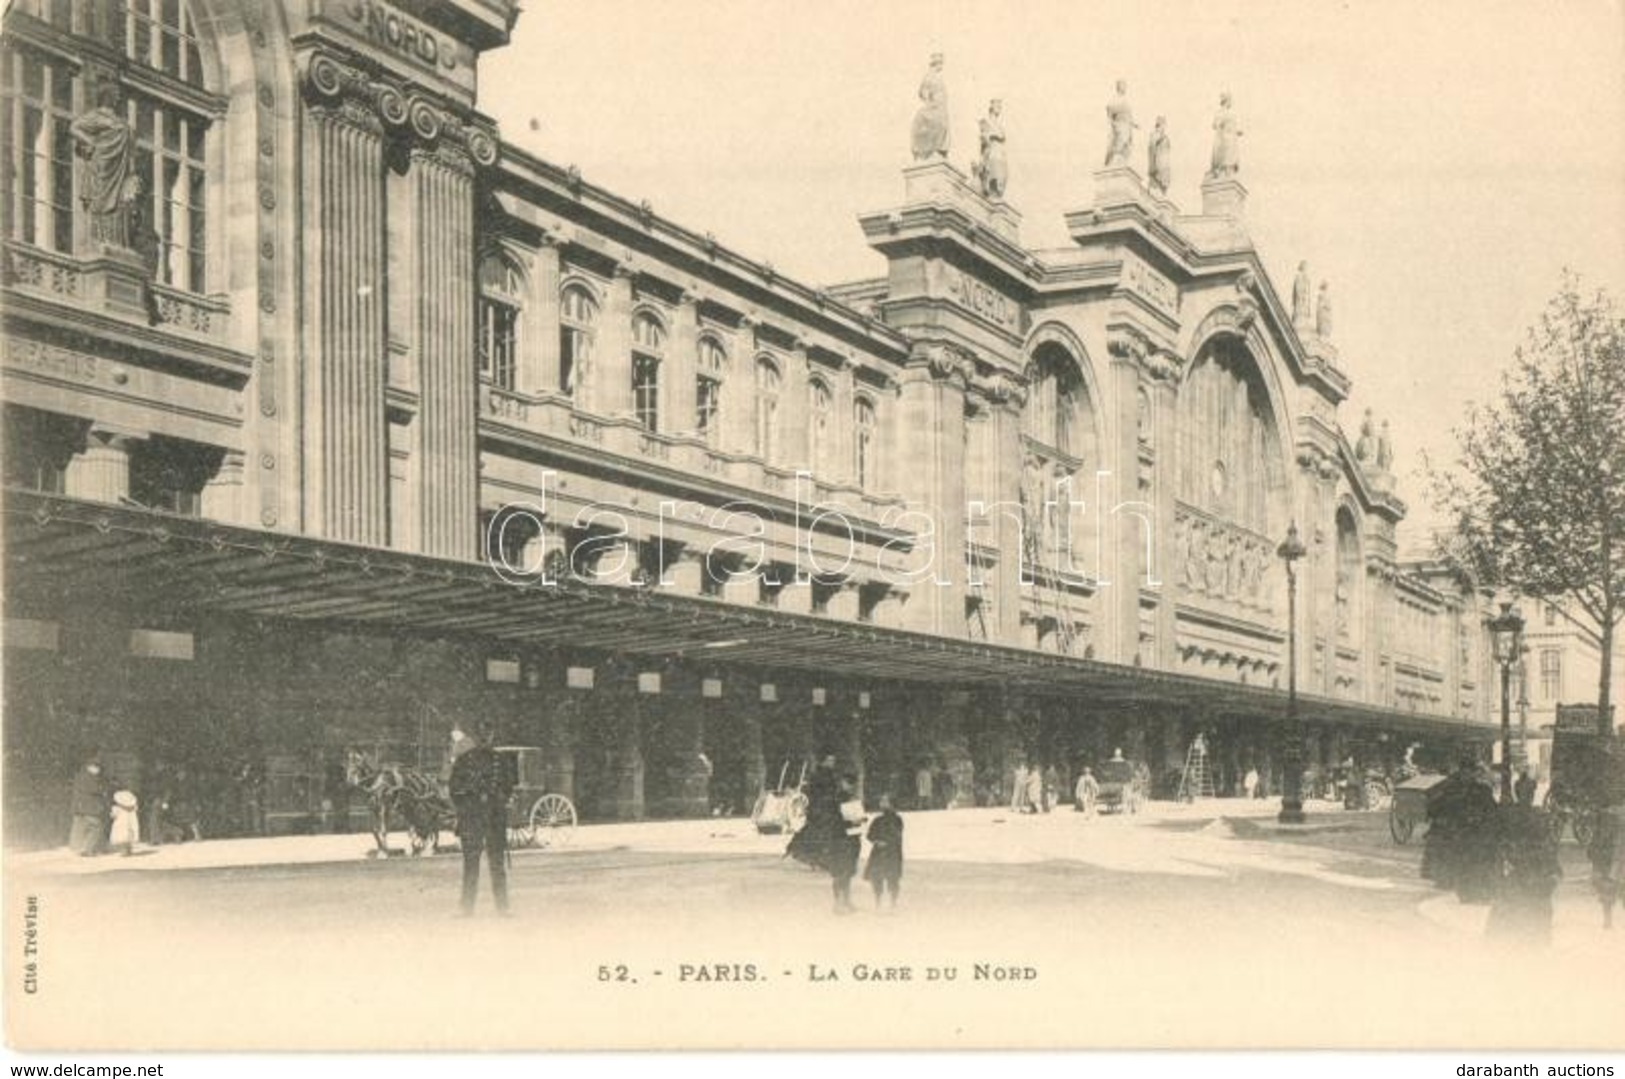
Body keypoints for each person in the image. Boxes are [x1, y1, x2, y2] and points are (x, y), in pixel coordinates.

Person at [448, 725, 515, 916]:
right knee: (471, 864)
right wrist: (470, 805)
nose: (486, 738)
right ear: (476, 738)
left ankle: (502, 908)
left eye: (489, 734)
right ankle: (466, 908)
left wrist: (496, 800)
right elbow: (455, 790)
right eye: (483, 735)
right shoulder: (463, 761)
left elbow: (508, 787)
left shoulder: (500, 761)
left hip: (494, 818)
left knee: (497, 864)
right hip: (473, 819)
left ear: (492, 735)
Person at [864, 793, 904, 909]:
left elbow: (896, 835)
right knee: (877, 878)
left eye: (885, 801)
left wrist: (886, 842)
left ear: (891, 804)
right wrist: (876, 841)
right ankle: (878, 901)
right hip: (879, 852)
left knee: (893, 879)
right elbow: (870, 835)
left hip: (892, 853)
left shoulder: (897, 819)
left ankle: (893, 902)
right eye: (882, 801)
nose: (882, 803)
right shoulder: (877, 820)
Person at [910, 53, 949, 161]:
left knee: (943, 126)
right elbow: (923, 91)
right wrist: (929, 102)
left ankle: (938, 149)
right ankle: (931, 150)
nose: (941, 66)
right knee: (936, 123)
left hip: (941, 106)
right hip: (934, 105)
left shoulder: (938, 77)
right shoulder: (929, 76)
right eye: (940, 63)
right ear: (936, 63)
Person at [69, 754, 110, 856]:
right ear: (89, 767)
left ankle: (77, 847)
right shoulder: (91, 778)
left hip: (79, 807)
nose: (98, 770)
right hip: (90, 808)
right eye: (96, 767)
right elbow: (96, 790)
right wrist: (104, 790)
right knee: (96, 827)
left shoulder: (79, 776)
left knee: (80, 828)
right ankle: (89, 849)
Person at [976, 99, 1008, 199]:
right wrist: (990, 135)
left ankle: (997, 192)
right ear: (992, 107)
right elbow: (983, 137)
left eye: (1000, 107)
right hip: (992, 149)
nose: (999, 109)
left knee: (1002, 172)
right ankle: (990, 191)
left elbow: (1002, 136)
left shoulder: (1000, 125)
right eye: (997, 106)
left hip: (999, 150)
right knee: (993, 170)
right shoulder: (986, 121)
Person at [1208, 92, 1242, 178]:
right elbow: (1214, 124)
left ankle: (1229, 171)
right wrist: (1220, 122)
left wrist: (1237, 131)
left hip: (1231, 137)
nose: (1230, 103)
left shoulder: (1232, 113)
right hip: (1222, 137)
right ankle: (1220, 171)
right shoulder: (1219, 112)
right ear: (1226, 101)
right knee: (1222, 155)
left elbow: (1234, 126)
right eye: (1229, 101)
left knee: (1230, 155)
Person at [1103, 79, 1135, 166]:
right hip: (1119, 123)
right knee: (1119, 141)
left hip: (1127, 125)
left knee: (1127, 143)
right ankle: (1114, 159)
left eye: (1125, 86)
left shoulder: (1125, 101)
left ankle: (1122, 159)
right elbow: (1109, 110)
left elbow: (1129, 115)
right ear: (1119, 87)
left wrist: (1134, 124)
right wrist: (1112, 123)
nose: (1125, 88)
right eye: (1123, 86)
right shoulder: (1115, 99)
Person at [108, 788, 140, 856]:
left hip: (120, 825)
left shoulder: (116, 808)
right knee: (129, 838)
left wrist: (111, 815)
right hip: (130, 825)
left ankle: (124, 851)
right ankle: (129, 850)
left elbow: (113, 815)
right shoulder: (132, 808)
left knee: (122, 839)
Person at [1147, 116, 1171, 196]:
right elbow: (1152, 146)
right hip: (1157, 161)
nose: (1163, 127)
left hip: (1164, 162)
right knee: (1157, 179)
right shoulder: (1154, 135)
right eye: (1161, 124)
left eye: (1163, 124)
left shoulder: (1165, 137)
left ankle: (1162, 190)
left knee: (1164, 178)